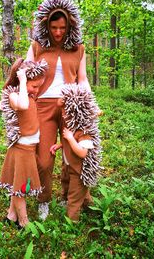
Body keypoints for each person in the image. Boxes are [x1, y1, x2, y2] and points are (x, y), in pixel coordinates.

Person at [26, 0, 91, 220]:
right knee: (43, 159)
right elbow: (26, 76)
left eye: (62, 27)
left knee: (71, 155)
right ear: (46, 25)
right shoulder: (37, 46)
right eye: (53, 27)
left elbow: (82, 79)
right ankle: (43, 199)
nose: (58, 32)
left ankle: (67, 195)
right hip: (43, 106)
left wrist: (90, 103)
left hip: (71, 105)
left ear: (70, 25)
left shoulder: (79, 48)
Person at [0, 58, 48, 228]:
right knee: (20, 189)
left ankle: (11, 216)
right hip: (21, 149)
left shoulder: (28, 94)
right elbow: (23, 106)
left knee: (18, 184)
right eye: (34, 86)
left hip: (29, 149)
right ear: (21, 81)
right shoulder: (14, 95)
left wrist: (30, 87)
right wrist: (24, 81)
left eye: (39, 87)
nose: (36, 90)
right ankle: (23, 222)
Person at [50, 83, 103, 221]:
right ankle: (88, 205)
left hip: (79, 171)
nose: (62, 114)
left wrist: (69, 138)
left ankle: (72, 221)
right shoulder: (73, 125)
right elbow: (70, 141)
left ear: (76, 111)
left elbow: (82, 153)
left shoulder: (84, 131)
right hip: (70, 166)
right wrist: (61, 144)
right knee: (66, 182)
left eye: (65, 111)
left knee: (75, 194)